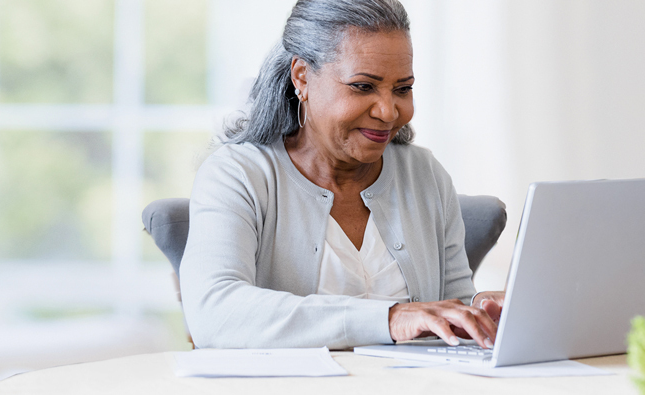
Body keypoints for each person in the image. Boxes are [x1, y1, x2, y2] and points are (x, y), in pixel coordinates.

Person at [179, 0, 504, 350]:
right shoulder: (238, 174)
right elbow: (215, 314)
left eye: (402, 88)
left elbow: (451, 304)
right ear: (302, 77)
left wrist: (481, 314)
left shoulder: (424, 175)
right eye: (363, 86)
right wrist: (390, 318)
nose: (388, 111)